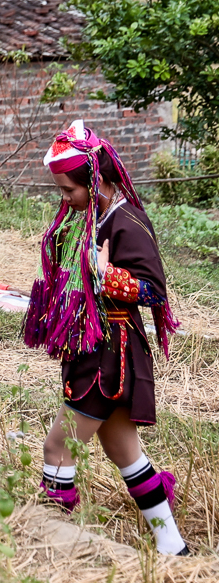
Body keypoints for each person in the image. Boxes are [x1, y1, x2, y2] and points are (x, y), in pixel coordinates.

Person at [25, 120, 188, 555]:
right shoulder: (89, 218)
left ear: (95, 180)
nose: (65, 199)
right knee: (125, 452)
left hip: (108, 355)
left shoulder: (127, 222)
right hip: (95, 350)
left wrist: (105, 274)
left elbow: (154, 291)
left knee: (57, 447)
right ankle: (173, 547)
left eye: (68, 190)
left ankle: (50, 543)